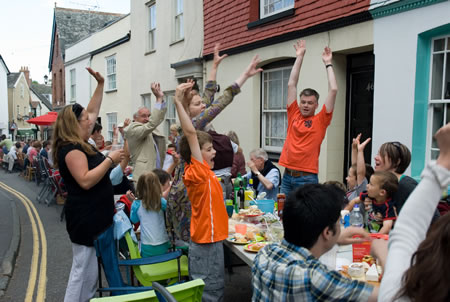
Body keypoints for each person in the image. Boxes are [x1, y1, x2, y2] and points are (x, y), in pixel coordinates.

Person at [166, 43, 262, 245]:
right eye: (198, 104)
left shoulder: (193, 120)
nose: (203, 107)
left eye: (202, 104)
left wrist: (215, 67)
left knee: (193, 241)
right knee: (194, 241)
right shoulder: (194, 124)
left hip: (188, 187)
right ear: (187, 108)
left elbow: (209, 98)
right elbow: (220, 103)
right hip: (188, 193)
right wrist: (244, 75)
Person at [52, 67, 124, 302]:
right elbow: (85, 180)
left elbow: (91, 110)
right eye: (85, 119)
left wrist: (101, 84)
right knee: (82, 273)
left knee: (89, 275)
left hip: (93, 218)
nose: (91, 120)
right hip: (85, 220)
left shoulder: (80, 141)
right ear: (75, 124)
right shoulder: (71, 149)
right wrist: (110, 160)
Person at [252, 183, 380, 301]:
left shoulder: (264, 253)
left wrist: (334, 239)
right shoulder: (315, 277)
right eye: (338, 222)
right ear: (327, 232)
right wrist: (382, 253)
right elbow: (386, 295)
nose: (339, 227)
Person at [378, 123, 450, 302]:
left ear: (396, 162)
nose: (376, 157)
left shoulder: (405, 184)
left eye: (381, 154)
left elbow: (409, 229)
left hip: (424, 247)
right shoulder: (391, 184)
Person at [174, 81, 228, 301]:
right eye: (208, 149)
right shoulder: (197, 171)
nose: (214, 151)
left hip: (209, 242)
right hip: (207, 245)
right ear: (196, 154)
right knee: (211, 294)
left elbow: (192, 131)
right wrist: (177, 101)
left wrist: (185, 103)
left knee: (211, 292)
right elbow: (190, 133)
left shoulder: (202, 170)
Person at [279, 40, 338, 195]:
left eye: (310, 103)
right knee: (282, 215)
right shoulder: (294, 114)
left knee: (306, 217)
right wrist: (299, 56)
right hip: (287, 176)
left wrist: (328, 63)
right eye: (303, 102)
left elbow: (333, 89)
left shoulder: (321, 120)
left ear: (316, 105)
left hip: (306, 178)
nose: (305, 105)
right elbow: (291, 84)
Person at [124, 83, 167, 181]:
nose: (147, 119)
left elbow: (158, 118)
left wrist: (162, 100)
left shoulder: (149, 128)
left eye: (149, 115)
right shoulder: (132, 129)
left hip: (155, 176)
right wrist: (158, 100)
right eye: (144, 116)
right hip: (142, 179)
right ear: (135, 118)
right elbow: (152, 123)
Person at [130, 171, 171, 257]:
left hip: (147, 246)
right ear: (157, 186)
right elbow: (170, 212)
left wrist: (132, 203)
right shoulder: (160, 202)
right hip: (163, 243)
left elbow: (134, 220)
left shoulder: (137, 204)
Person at [346, 134, 373, 201]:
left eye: (349, 176)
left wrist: (360, 151)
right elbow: (355, 166)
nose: (346, 178)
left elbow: (360, 173)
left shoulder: (361, 192)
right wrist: (354, 148)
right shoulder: (353, 191)